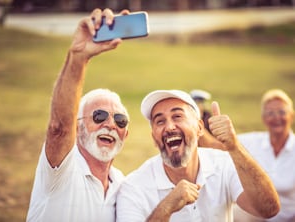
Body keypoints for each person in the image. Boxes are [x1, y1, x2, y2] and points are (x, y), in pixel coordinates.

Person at [26, 8, 130, 221]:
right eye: (99, 116)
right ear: (77, 126)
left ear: (126, 135)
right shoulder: (62, 171)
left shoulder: (124, 186)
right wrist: (78, 58)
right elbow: (59, 128)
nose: (110, 124)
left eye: (120, 120)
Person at [116, 89, 280, 222]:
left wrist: (235, 147)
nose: (170, 127)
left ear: (200, 128)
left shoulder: (222, 163)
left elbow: (268, 209)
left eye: (177, 116)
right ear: (154, 137)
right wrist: (166, 207)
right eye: (160, 121)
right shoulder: (133, 186)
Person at [234, 89, 295, 222]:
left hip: (289, 218)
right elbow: (224, 143)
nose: (276, 118)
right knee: (231, 212)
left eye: (282, 112)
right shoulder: (254, 141)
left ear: (291, 115)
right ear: (264, 119)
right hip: (258, 216)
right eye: (270, 113)